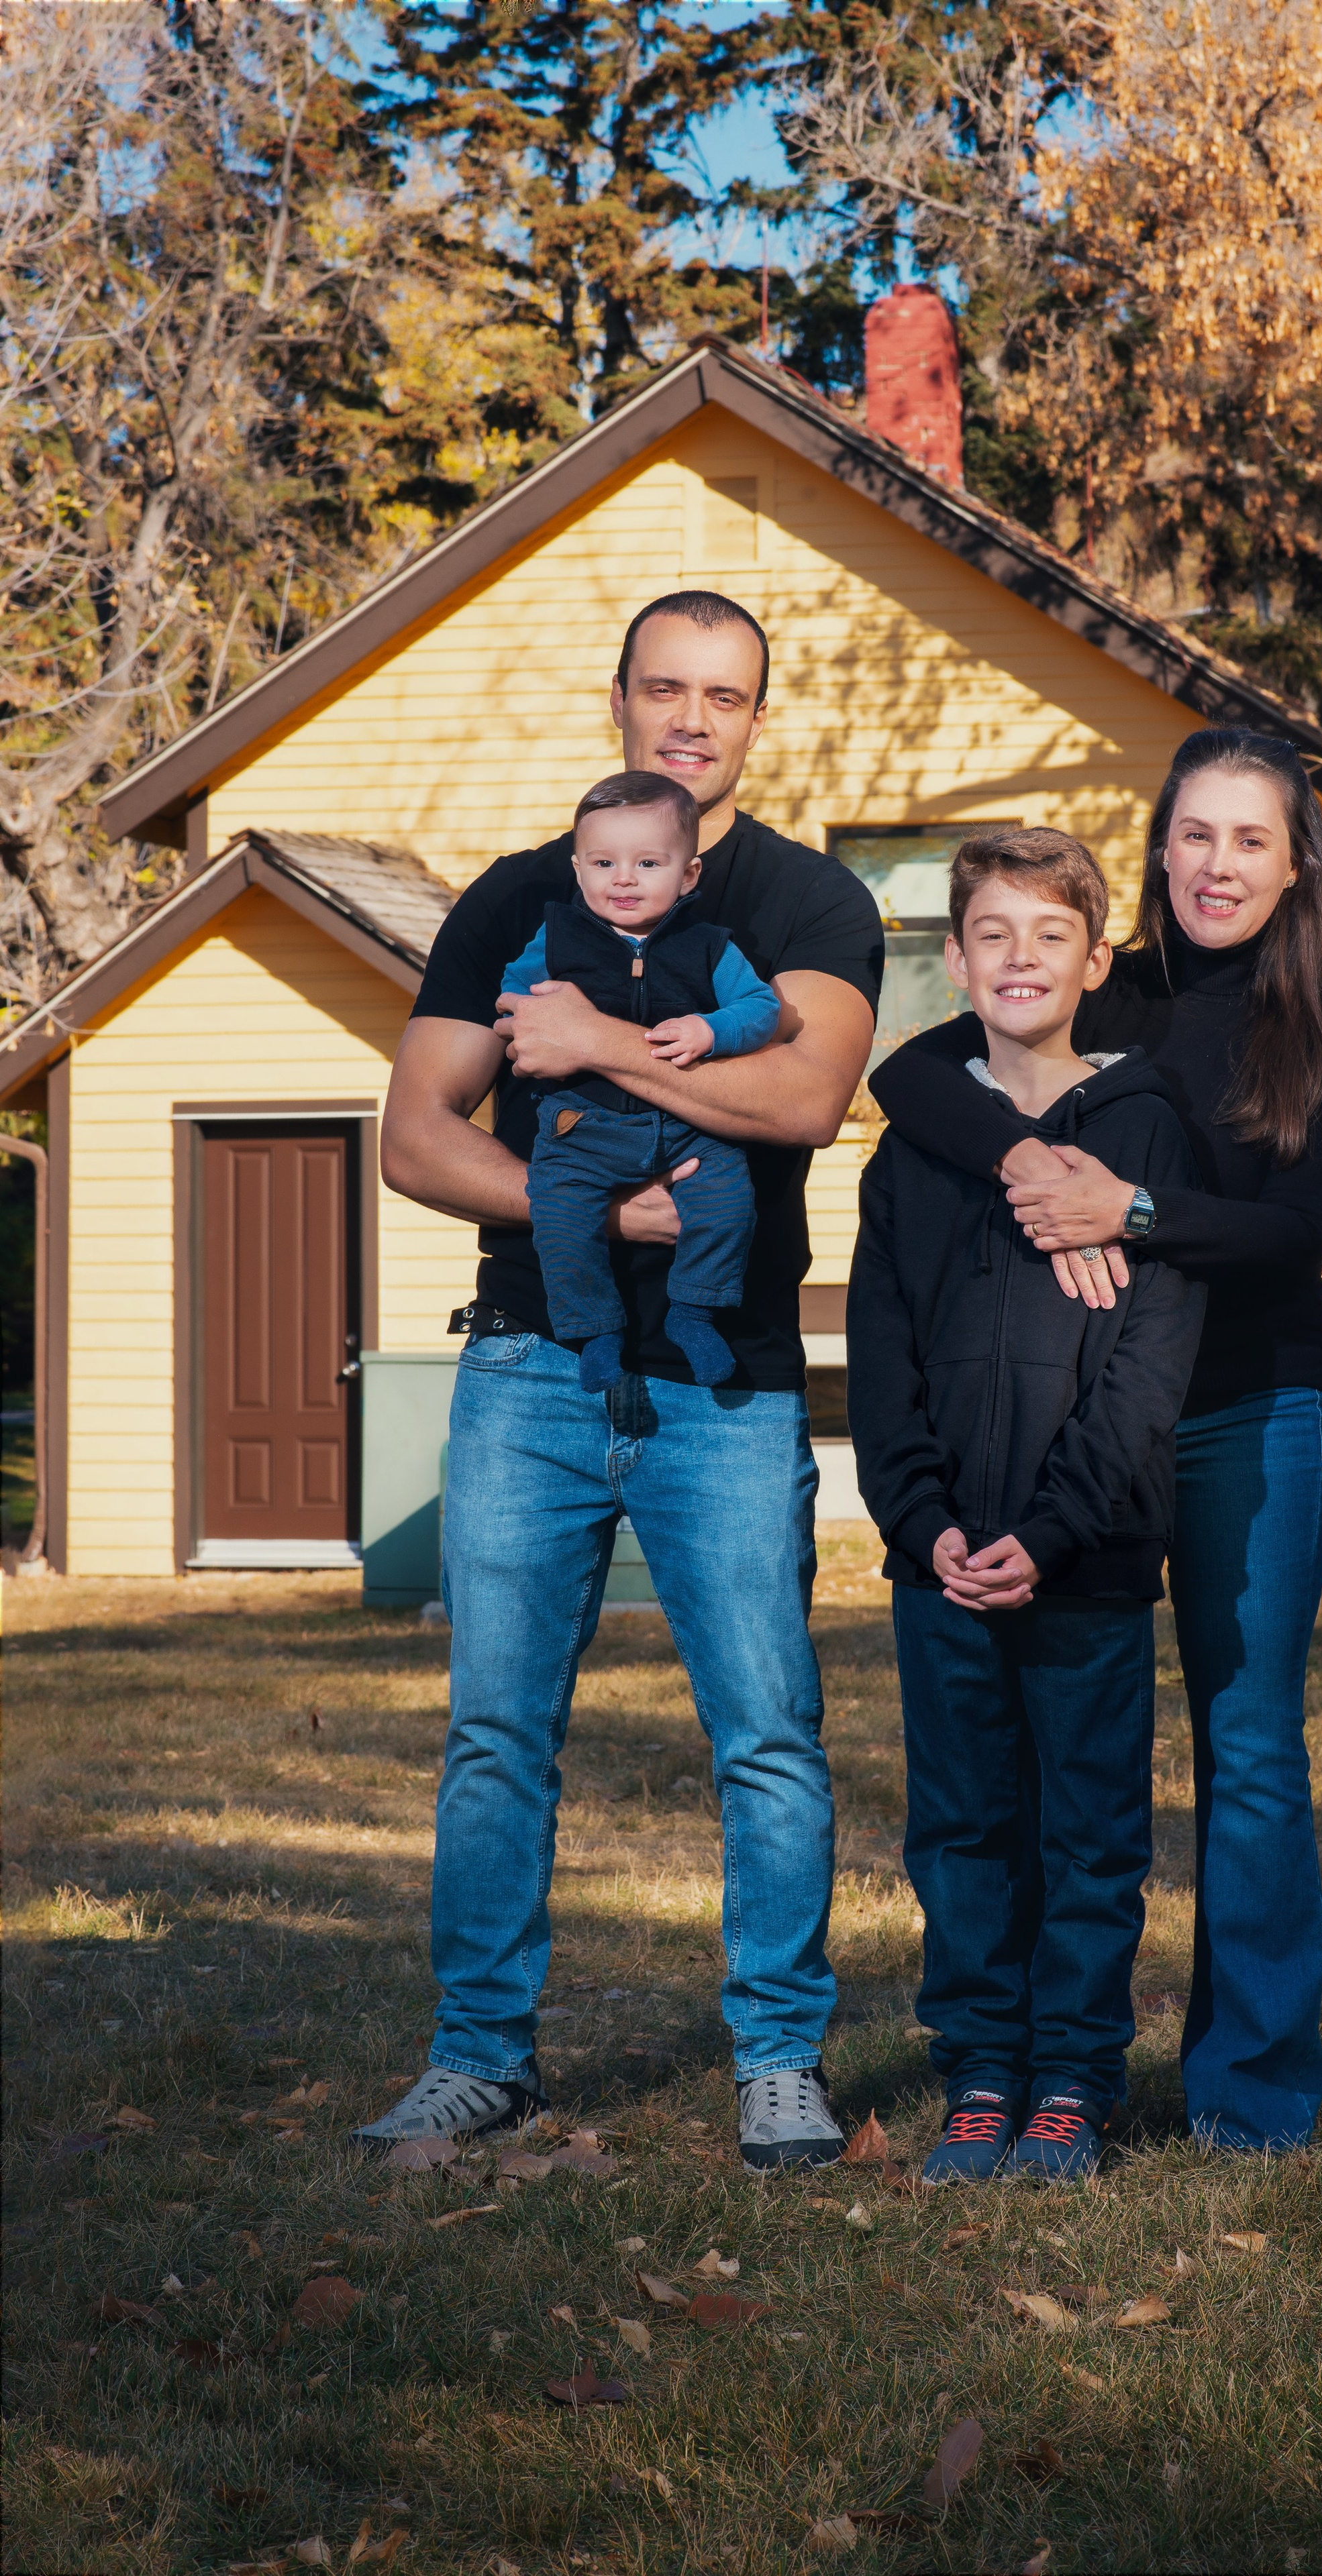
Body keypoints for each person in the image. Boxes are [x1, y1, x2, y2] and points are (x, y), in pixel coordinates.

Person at [359, 590, 884, 2171]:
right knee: (497, 1731)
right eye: (665, 688)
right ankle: (475, 2058)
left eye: (724, 695)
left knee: (768, 1731)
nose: (691, 718)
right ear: (620, 702)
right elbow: (417, 1129)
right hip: (528, 1363)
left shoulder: (806, 898)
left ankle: (779, 2058)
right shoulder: (521, 895)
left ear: (754, 721)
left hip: (724, 1381)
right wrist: (593, 1202)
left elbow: (801, 1094)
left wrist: (592, 1044)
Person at [868, 731, 1322, 2152]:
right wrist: (1028, 1161)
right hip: (1079, 1416)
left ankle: (1247, 2092)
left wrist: (1132, 1214)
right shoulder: (1111, 988)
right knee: (1047, 1755)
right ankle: (1034, 2061)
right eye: (1194, 836)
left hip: (1248, 1414)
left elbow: (1294, 1230)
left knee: (1247, 1743)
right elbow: (915, 1078)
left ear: (1292, 870)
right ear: (1159, 850)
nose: (1217, 865)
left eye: (1249, 841)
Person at [848, 828, 1205, 2184]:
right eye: (990, 933)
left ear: (1094, 960)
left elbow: (1145, 1370)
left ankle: (1070, 2082)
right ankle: (981, 2075)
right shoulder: (910, 1155)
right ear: (951, 957)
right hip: (938, 1565)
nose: (1017, 958)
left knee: (1089, 1830)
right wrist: (921, 1522)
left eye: (1048, 935)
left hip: (1091, 1561)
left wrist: (1050, 1532)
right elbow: (880, 1363)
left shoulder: (1140, 1135)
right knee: (958, 1829)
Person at [497, 768, 780, 1391]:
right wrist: (530, 1021)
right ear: (578, 871)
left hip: (687, 1125)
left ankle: (695, 1311)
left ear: (689, 874)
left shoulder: (709, 947)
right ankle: (594, 1330)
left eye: (649, 863)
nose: (623, 878)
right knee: (562, 1217)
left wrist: (712, 1031)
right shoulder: (555, 938)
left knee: (729, 1201)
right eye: (603, 863)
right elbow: (513, 1001)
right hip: (582, 1126)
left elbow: (762, 1010)